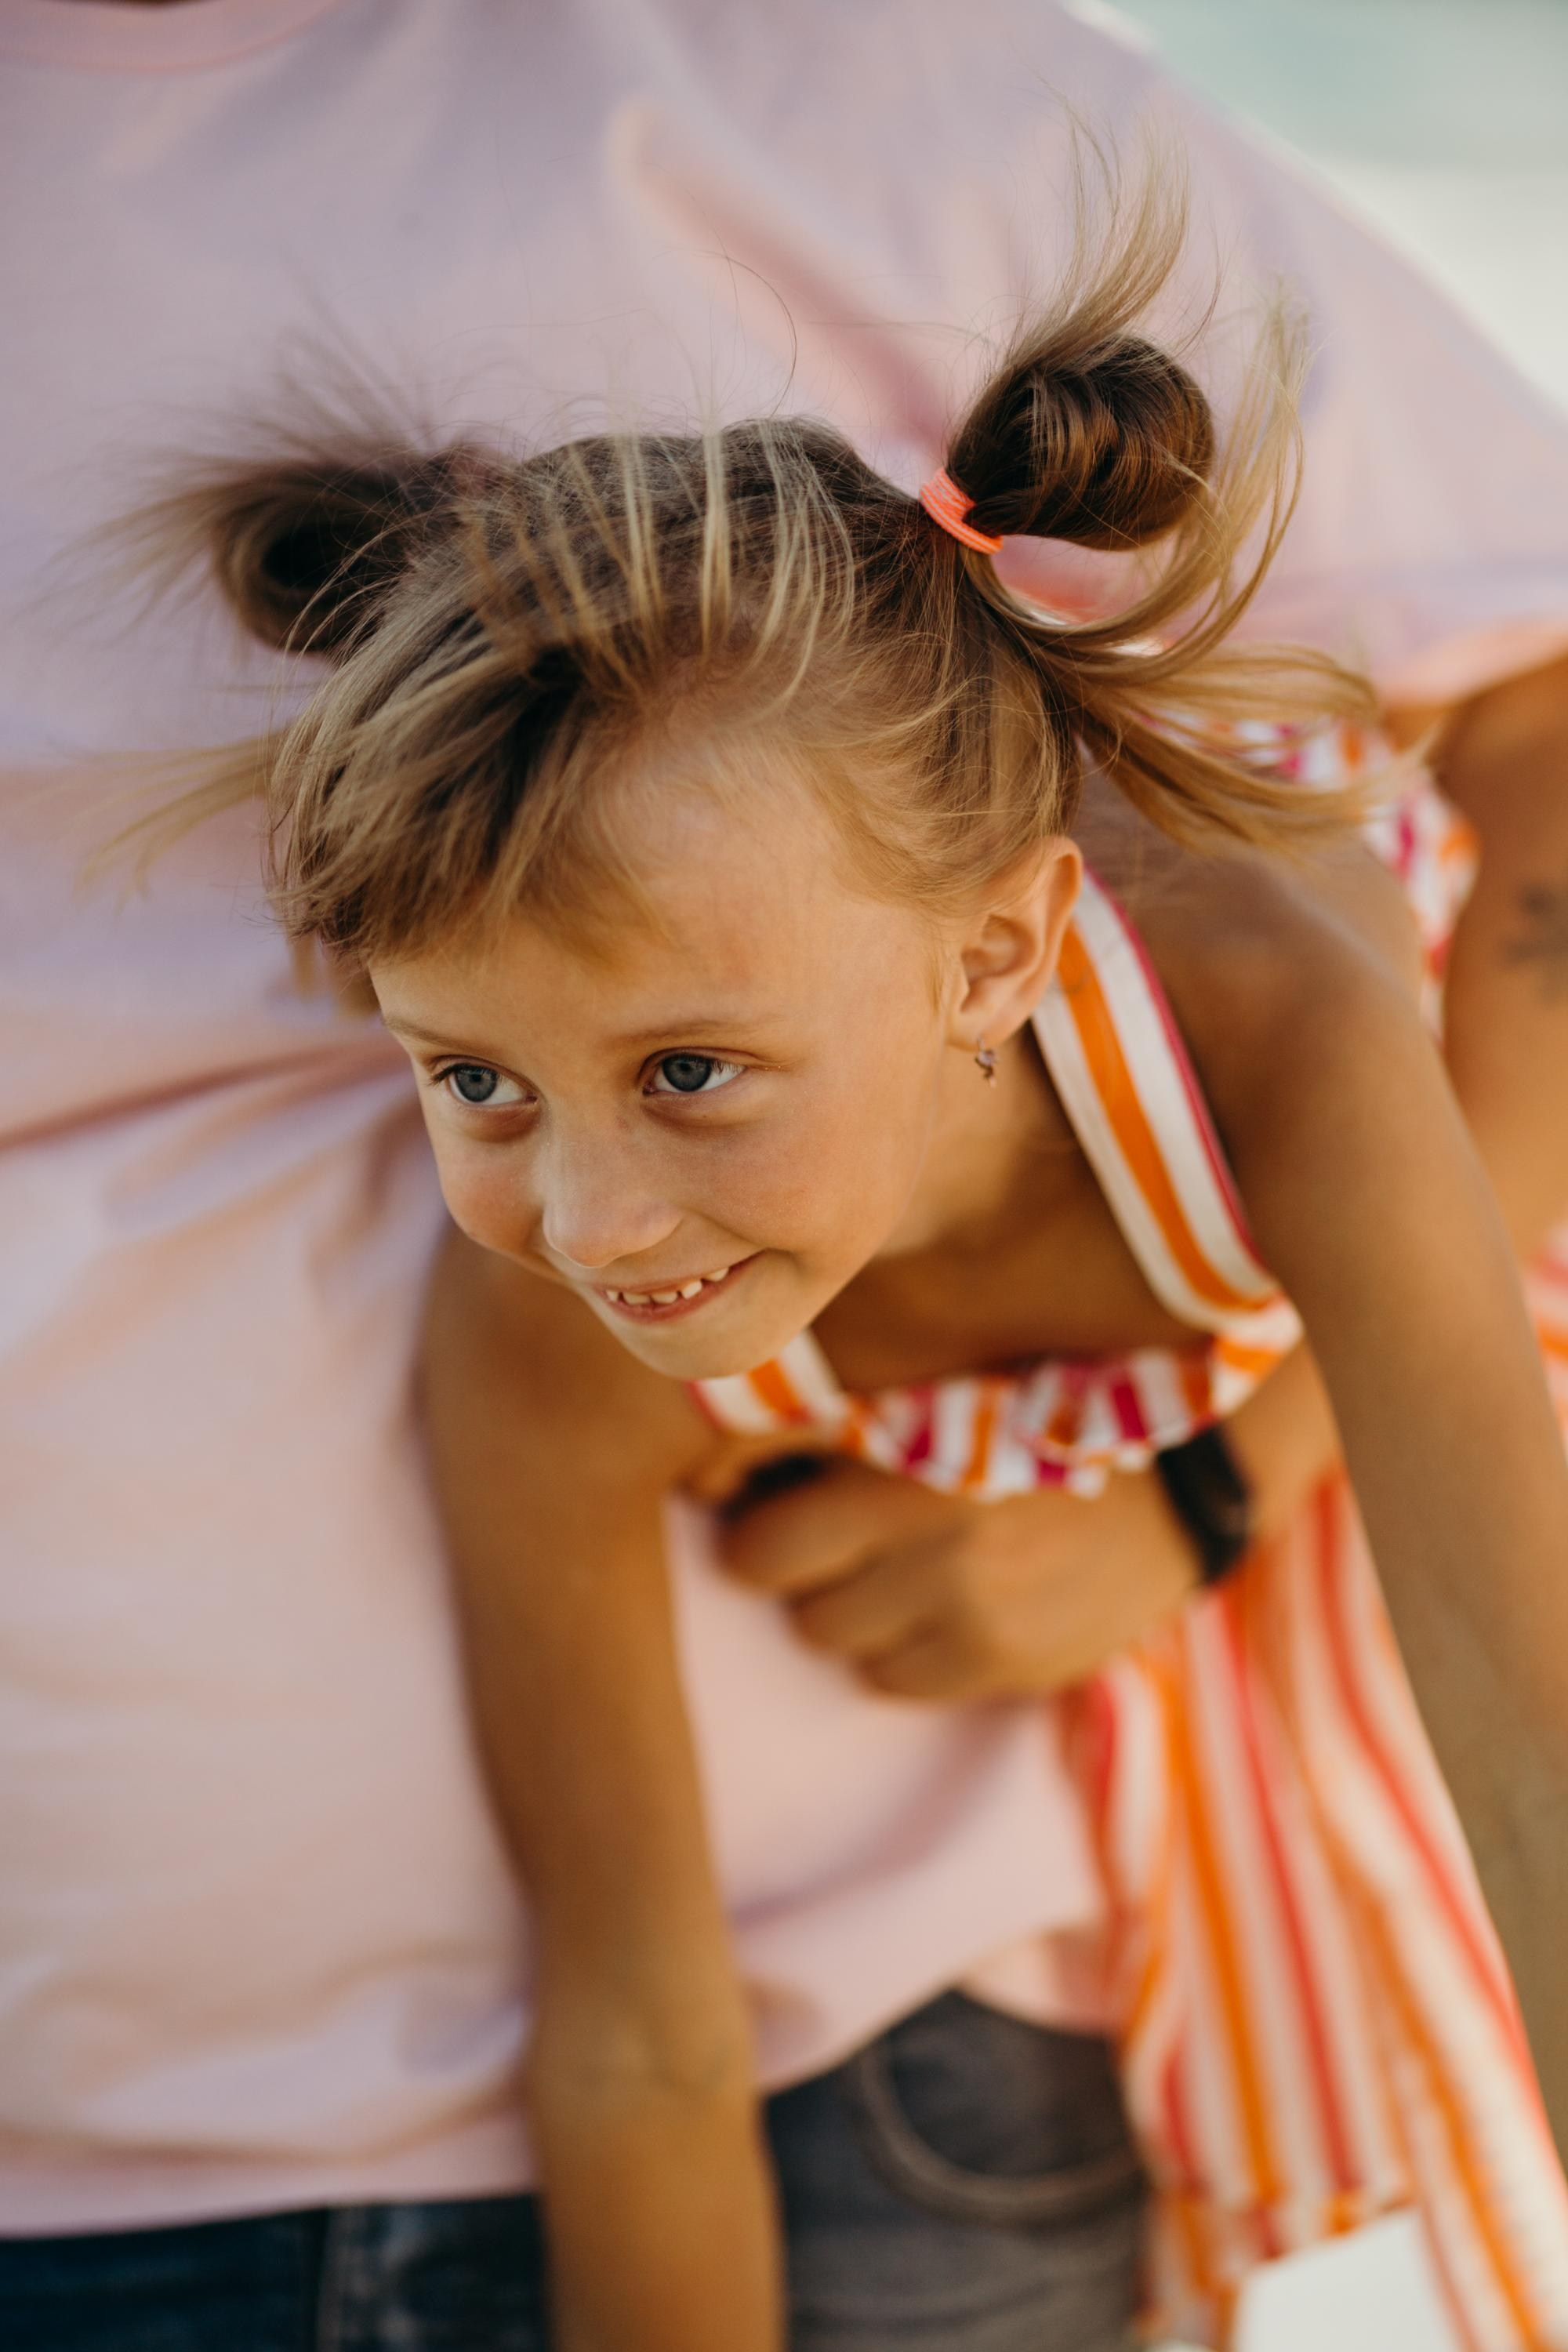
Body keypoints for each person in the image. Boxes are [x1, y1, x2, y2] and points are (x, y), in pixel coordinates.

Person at [5, 3, 1568, 2350]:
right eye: (475, 1085)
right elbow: (637, 2035)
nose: (599, 1224)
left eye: (695, 1072)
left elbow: (1526, 1741)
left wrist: (1207, 1502)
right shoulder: (546, 1329)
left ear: (1004, 954)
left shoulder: (1281, 1049)